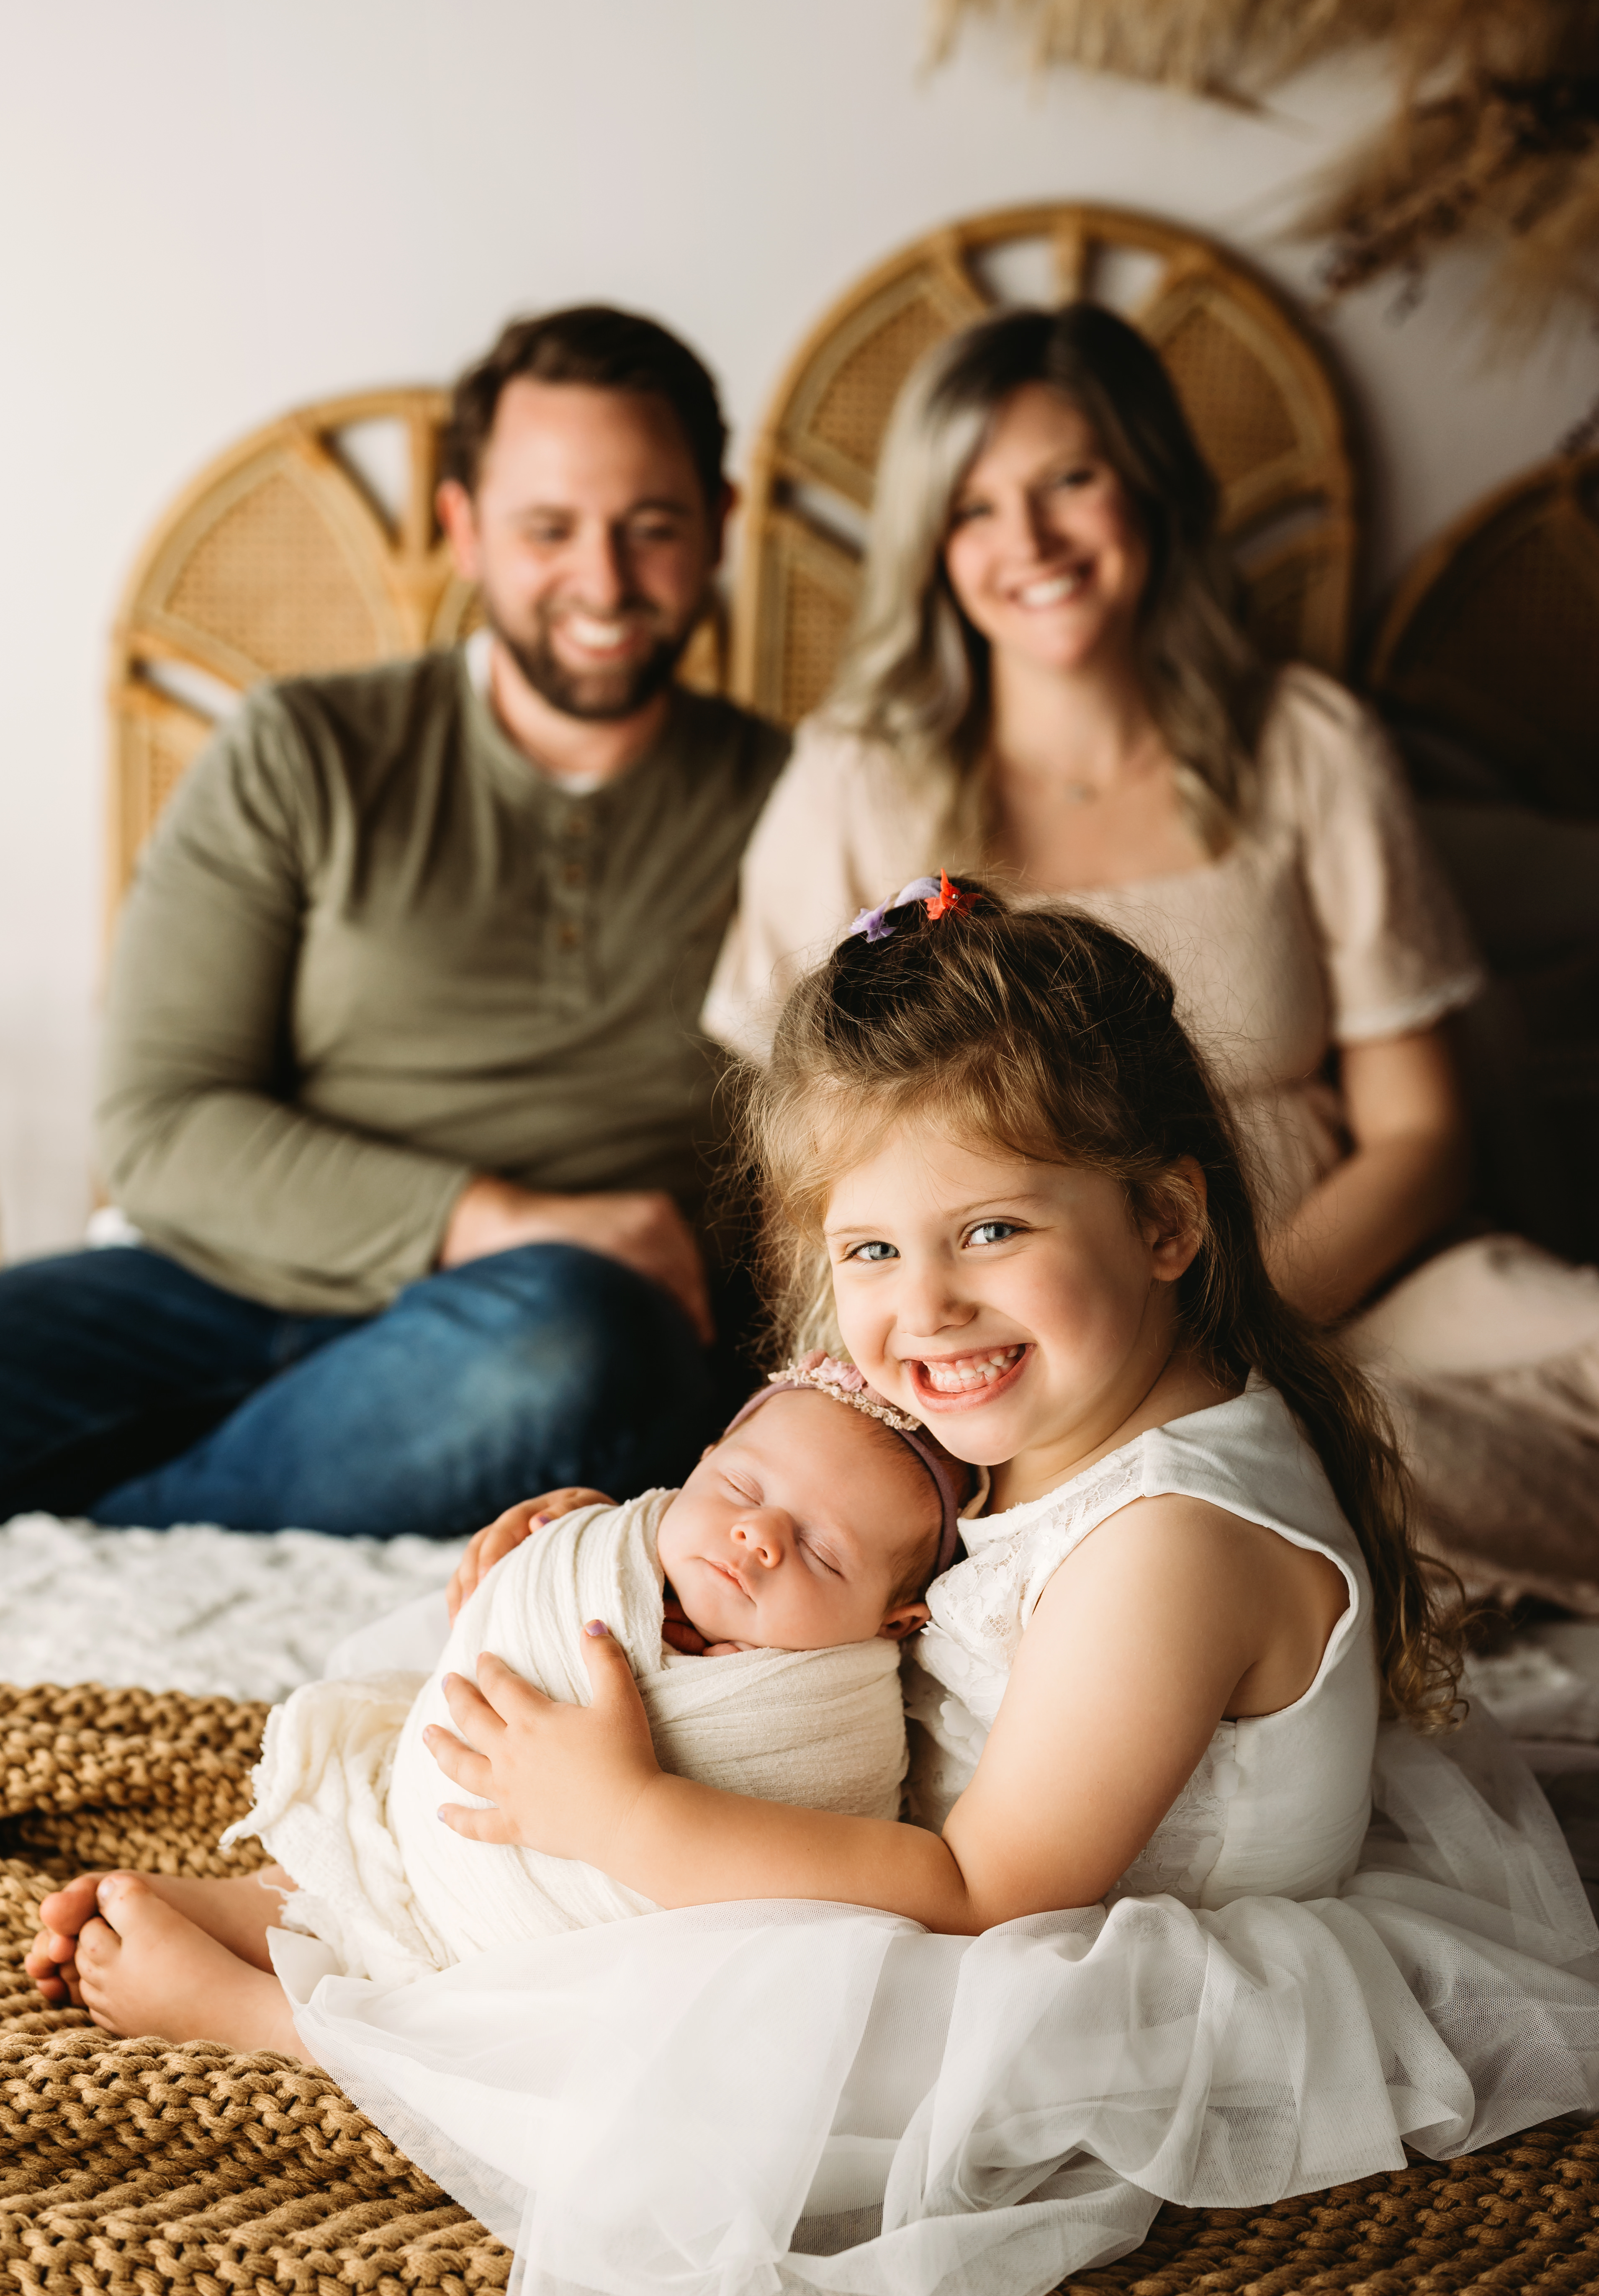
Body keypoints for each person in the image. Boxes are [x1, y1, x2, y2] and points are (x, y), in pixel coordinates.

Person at [36, 893, 1599, 2296]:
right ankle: (337, 1904)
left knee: (727, 2034)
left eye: (991, 1228)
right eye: (870, 1253)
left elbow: (986, 1895)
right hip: (965, 1868)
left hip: (1060, 1967)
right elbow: (812, 1500)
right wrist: (619, 1534)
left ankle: (295, 2022)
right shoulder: (1036, 1404)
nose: (925, 1310)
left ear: (1168, 1220)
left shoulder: (1169, 1548)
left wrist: (634, 1820)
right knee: (602, 1742)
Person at [704, 301, 1599, 1617]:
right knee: (1335, 1452)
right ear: (931, 549)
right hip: (1030, 1316)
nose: (1032, 542)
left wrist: (1239, 1305)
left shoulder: (1303, 744)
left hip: (1349, 1282)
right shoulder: (851, 780)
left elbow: (1423, 1131)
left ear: (1153, 495)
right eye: (976, 508)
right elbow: (801, 1162)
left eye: (1072, 481)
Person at [0, 305, 790, 1538]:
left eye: (652, 527)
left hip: (534, 1335)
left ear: (719, 529)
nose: (603, 581)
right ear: (463, 529)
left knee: (581, 1345)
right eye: (549, 529)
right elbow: (160, 1128)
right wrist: (490, 1215)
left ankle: (122, 1533)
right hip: (213, 1290)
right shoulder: (303, 749)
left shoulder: (796, 799)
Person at [28, 1360, 965, 2017]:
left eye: (821, 1552)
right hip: (437, 1853)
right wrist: (540, 1567)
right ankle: (265, 1909)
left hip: (581, 1983)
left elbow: (802, 1895)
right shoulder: (614, 1551)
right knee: (359, 1873)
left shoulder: (832, 1722)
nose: (755, 1534)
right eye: (737, 1483)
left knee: (536, 2051)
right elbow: (491, 1653)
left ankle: (247, 2016)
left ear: (894, 1623)